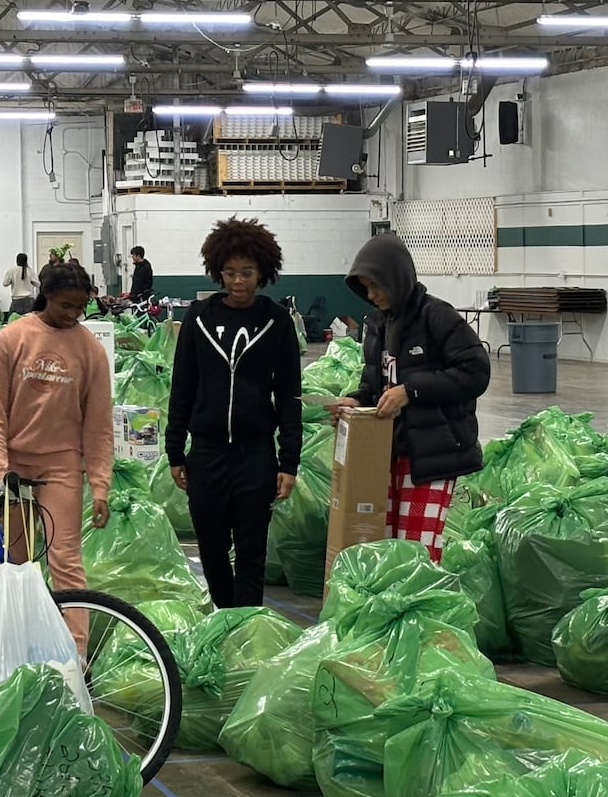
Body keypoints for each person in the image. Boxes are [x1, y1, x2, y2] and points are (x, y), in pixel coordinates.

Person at [330, 232, 489, 564]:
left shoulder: (437, 317)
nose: (371, 295)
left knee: (417, 554)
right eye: (365, 289)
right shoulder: (376, 325)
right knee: (386, 549)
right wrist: (356, 402)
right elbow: (376, 383)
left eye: (375, 286)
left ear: (396, 279)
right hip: (386, 453)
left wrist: (412, 390)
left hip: (433, 457)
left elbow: (476, 371)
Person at [166, 219, 301, 608]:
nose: (238, 282)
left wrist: (289, 461)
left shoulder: (276, 321)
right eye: (230, 273)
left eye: (247, 273)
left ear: (263, 272)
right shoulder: (198, 317)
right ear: (217, 271)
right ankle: (223, 619)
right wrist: (175, 450)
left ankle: (246, 626)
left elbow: (289, 395)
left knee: (251, 551)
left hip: (256, 455)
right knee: (210, 548)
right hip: (206, 454)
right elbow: (183, 386)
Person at [0, 262, 113, 647]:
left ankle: (75, 655)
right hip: (14, 469)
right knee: (18, 565)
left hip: (62, 468)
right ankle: (20, 646)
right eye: (65, 306)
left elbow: (99, 424)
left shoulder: (90, 350)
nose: (73, 315)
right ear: (46, 297)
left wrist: (100, 485)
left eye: (80, 307)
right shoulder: (12, 338)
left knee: (66, 562)